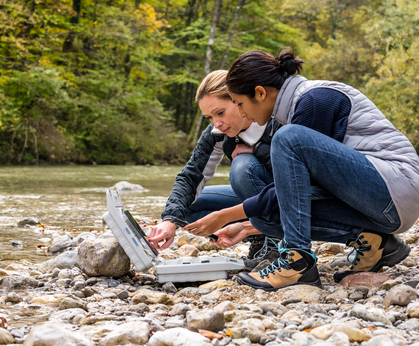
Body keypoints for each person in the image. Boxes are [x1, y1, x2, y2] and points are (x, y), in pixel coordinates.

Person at [196, 49, 419, 291]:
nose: (240, 112)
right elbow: (293, 191)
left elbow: (291, 189)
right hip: (383, 205)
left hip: (395, 190)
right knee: (267, 217)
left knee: (288, 139)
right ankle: (376, 244)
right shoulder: (293, 109)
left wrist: (227, 215)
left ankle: (297, 261)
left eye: (239, 103)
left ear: (260, 93)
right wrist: (249, 222)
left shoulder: (314, 100)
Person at [148, 70, 281, 261]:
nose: (216, 123)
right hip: (256, 201)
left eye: (220, 112)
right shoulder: (217, 132)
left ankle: (276, 238)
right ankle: (259, 236)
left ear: (238, 99)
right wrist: (169, 220)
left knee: (243, 167)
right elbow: (191, 176)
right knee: (188, 209)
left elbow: (297, 174)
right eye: (209, 117)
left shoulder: (275, 119)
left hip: (289, 198)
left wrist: (255, 149)